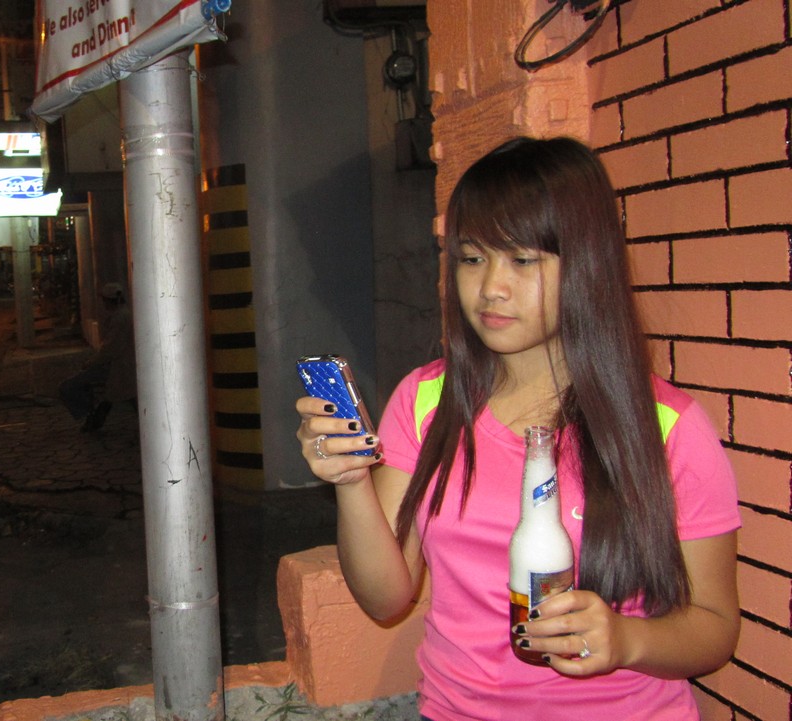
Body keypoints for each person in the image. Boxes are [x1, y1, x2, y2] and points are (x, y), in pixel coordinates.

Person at [295, 137, 739, 720]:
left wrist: (626, 639)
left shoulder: (666, 425)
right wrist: (351, 481)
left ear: (586, 264)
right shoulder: (427, 401)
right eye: (472, 258)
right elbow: (385, 599)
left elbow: (714, 628)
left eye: (522, 261)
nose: (490, 288)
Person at [58, 281, 136, 431]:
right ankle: (95, 415)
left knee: (68, 387)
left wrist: (91, 362)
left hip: (116, 366)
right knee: (122, 396)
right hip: (119, 365)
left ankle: (89, 413)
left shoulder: (120, 318)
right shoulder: (123, 315)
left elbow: (110, 349)